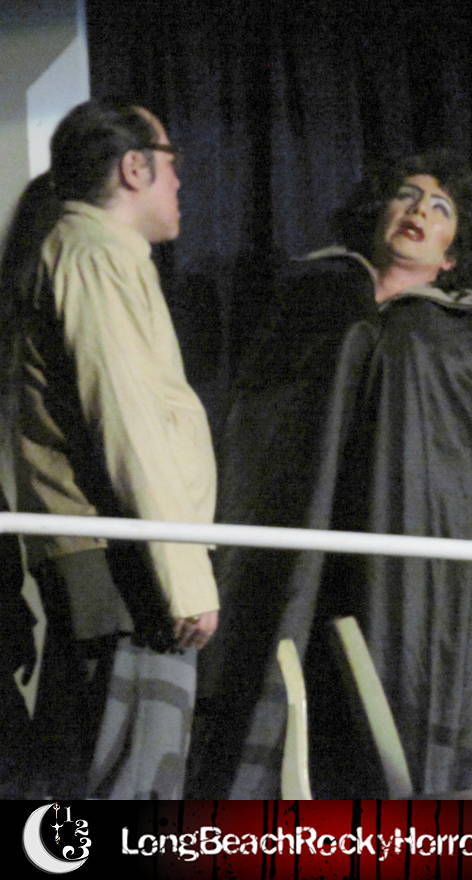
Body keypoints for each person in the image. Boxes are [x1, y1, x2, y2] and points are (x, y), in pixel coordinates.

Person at [192, 148, 472, 798]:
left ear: (450, 256)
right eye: (407, 196)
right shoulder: (315, 299)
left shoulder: (453, 335)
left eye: (440, 208)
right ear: (377, 214)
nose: (419, 211)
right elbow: (263, 423)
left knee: (391, 694)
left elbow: (444, 467)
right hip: (297, 529)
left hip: (399, 546)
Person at [8, 98, 219, 799]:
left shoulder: (90, 252)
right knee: (132, 790)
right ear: (134, 167)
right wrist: (183, 576)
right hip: (128, 564)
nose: (180, 181)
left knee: (83, 791)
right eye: (171, 162)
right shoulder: (96, 255)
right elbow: (130, 421)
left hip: (116, 558)